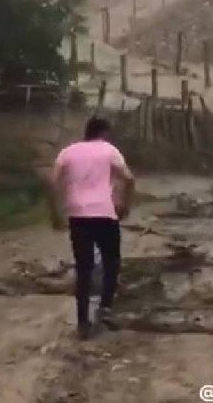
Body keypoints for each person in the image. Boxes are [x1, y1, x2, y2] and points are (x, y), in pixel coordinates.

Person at [51, 116, 135, 340]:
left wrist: (55, 214)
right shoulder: (109, 150)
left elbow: (52, 182)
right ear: (103, 133)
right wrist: (125, 205)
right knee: (111, 261)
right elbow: (129, 178)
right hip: (104, 214)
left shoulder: (67, 152)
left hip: (78, 215)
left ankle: (82, 322)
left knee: (84, 267)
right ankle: (105, 307)